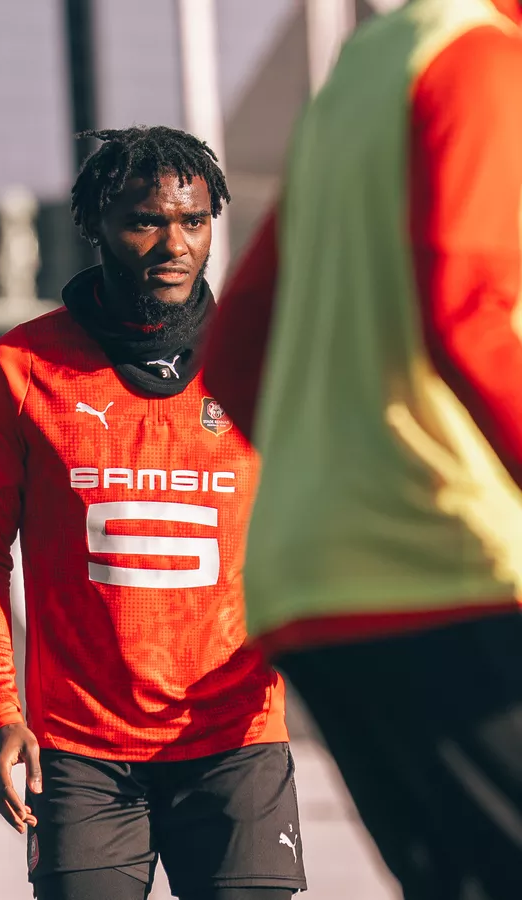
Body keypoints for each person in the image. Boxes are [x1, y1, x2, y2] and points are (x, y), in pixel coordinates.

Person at [205, 2, 522, 898]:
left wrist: (332, 478)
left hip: (314, 585)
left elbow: (233, 350)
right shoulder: (484, 62)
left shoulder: (360, 78)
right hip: (450, 565)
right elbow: (470, 308)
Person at [0, 126, 307, 900]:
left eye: (195, 220)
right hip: (78, 757)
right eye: (145, 221)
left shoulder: (268, 356)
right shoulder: (17, 370)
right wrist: (1, 713)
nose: (173, 244)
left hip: (237, 743)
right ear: (96, 226)